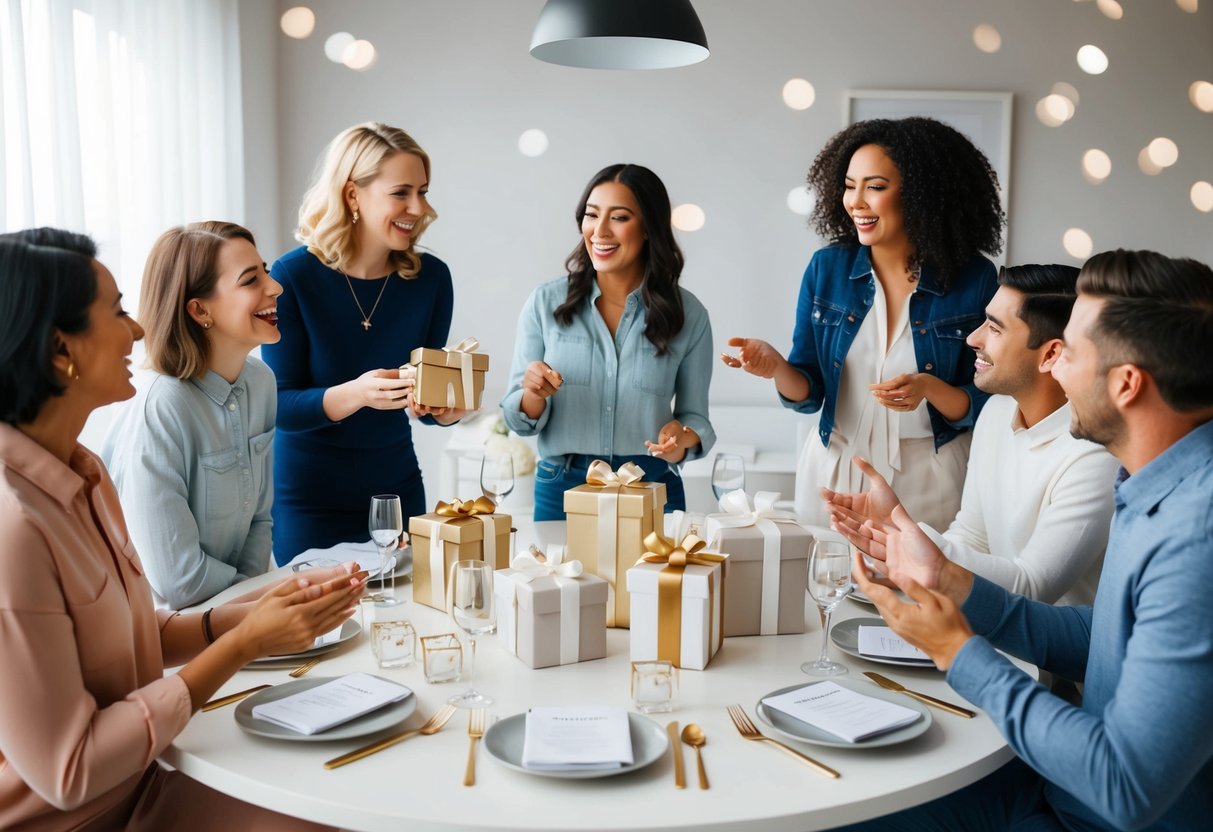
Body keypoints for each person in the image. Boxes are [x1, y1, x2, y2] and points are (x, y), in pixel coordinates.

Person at [0, 228, 366, 830]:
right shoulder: (15, 529)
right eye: (116, 311)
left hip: (147, 777)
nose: (139, 329)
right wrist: (244, 644)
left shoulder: (84, 473)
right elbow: (69, 773)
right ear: (61, 348)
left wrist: (254, 610)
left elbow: (136, 633)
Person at [839, 250, 1213, 831]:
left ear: (1127, 384)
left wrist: (957, 652)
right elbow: (1104, 637)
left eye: (1072, 354)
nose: (1056, 370)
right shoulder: (1151, 480)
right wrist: (948, 580)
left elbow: (1125, 785)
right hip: (1057, 784)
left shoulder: (1197, 536)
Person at [724, 117, 1004, 530]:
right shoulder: (827, 270)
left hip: (931, 476)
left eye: (874, 186)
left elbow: (989, 399)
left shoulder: (974, 278)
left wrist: (930, 389)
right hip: (834, 468)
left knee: (922, 592)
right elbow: (808, 391)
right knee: (825, 586)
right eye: (849, 185)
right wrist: (777, 367)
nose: (856, 201)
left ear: (922, 195)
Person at [825, 264, 1117, 606]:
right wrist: (903, 561)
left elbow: (1033, 587)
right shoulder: (995, 412)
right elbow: (973, 536)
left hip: (1047, 657)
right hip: (983, 633)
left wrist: (909, 537)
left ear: (1050, 354)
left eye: (994, 328)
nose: (972, 338)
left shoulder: (1097, 455)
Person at [262, 122, 465, 563]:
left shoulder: (432, 280)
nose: (420, 207)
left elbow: (423, 405)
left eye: (423, 191)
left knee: (405, 618)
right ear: (353, 194)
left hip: (397, 493)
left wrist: (445, 412)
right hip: (309, 500)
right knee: (324, 629)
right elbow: (279, 405)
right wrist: (356, 394)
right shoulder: (291, 277)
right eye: (402, 192)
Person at [501, 163, 716, 520]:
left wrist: (681, 439)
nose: (599, 231)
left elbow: (697, 420)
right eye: (591, 215)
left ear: (648, 227)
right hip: (563, 488)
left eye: (619, 217)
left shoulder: (689, 315)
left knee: (653, 578)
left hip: (652, 487)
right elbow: (517, 417)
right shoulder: (544, 303)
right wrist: (532, 394)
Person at [103, 222, 283, 608]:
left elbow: (261, 520)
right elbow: (178, 581)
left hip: (250, 618)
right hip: (173, 639)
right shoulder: (161, 406)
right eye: (251, 280)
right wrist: (262, 602)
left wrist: (258, 606)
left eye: (265, 270)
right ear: (200, 310)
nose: (275, 287)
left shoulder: (263, 382)